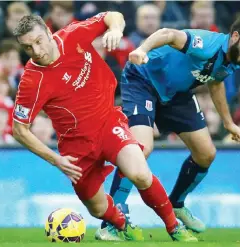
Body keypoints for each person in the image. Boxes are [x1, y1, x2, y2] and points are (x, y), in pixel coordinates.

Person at [11, 12, 195, 242]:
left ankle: (173, 226)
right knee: (97, 209)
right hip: (76, 147)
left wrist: (116, 29)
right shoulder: (31, 81)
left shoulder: (73, 35)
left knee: (140, 174)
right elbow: (19, 129)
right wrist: (56, 159)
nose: (37, 51)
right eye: (28, 48)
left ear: (48, 32)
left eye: (39, 41)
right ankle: (120, 224)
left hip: (108, 122)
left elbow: (113, 15)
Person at [97, 16, 240, 238]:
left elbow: (215, 82)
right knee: (140, 150)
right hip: (143, 81)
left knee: (206, 154)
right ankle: (110, 221)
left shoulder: (233, 59)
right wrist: (142, 49)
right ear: (235, 36)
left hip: (176, 94)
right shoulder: (207, 44)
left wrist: (228, 122)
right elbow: (168, 34)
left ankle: (176, 202)